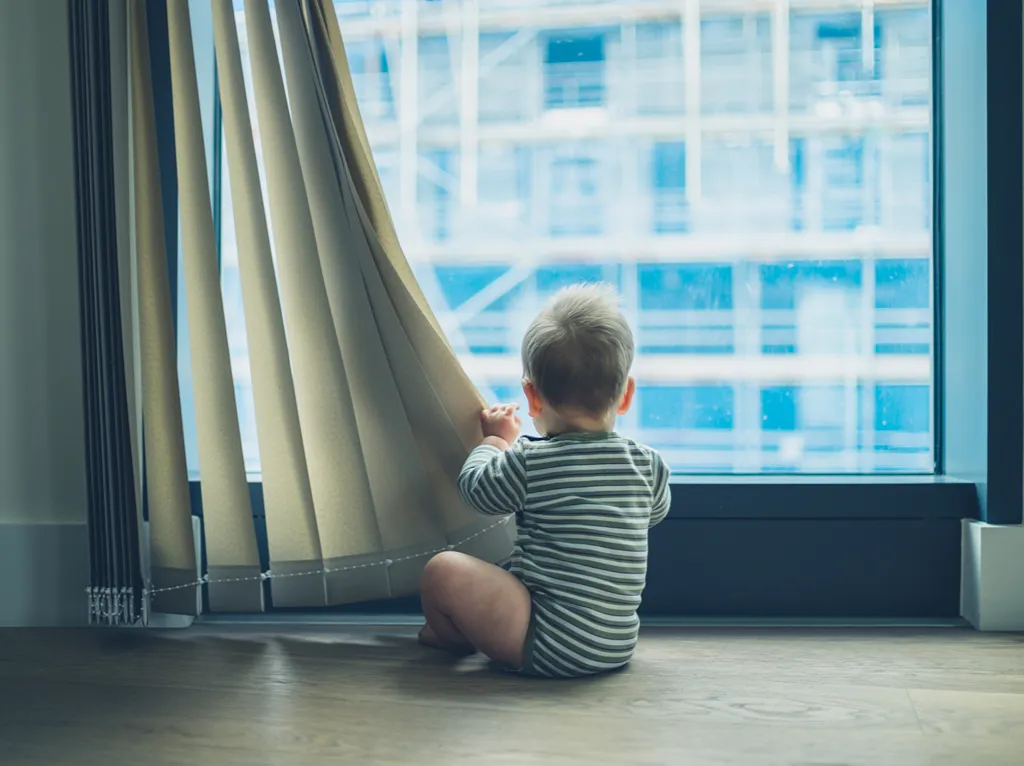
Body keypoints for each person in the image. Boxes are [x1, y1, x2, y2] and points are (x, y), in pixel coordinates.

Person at [418, 283, 671, 678]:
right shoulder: (648, 465)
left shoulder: (531, 461)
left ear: (532, 397)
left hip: (547, 640)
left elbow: (476, 488)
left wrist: (495, 440)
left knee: (442, 568)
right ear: (625, 395)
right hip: (615, 643)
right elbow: (654, 513)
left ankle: (451, 636)